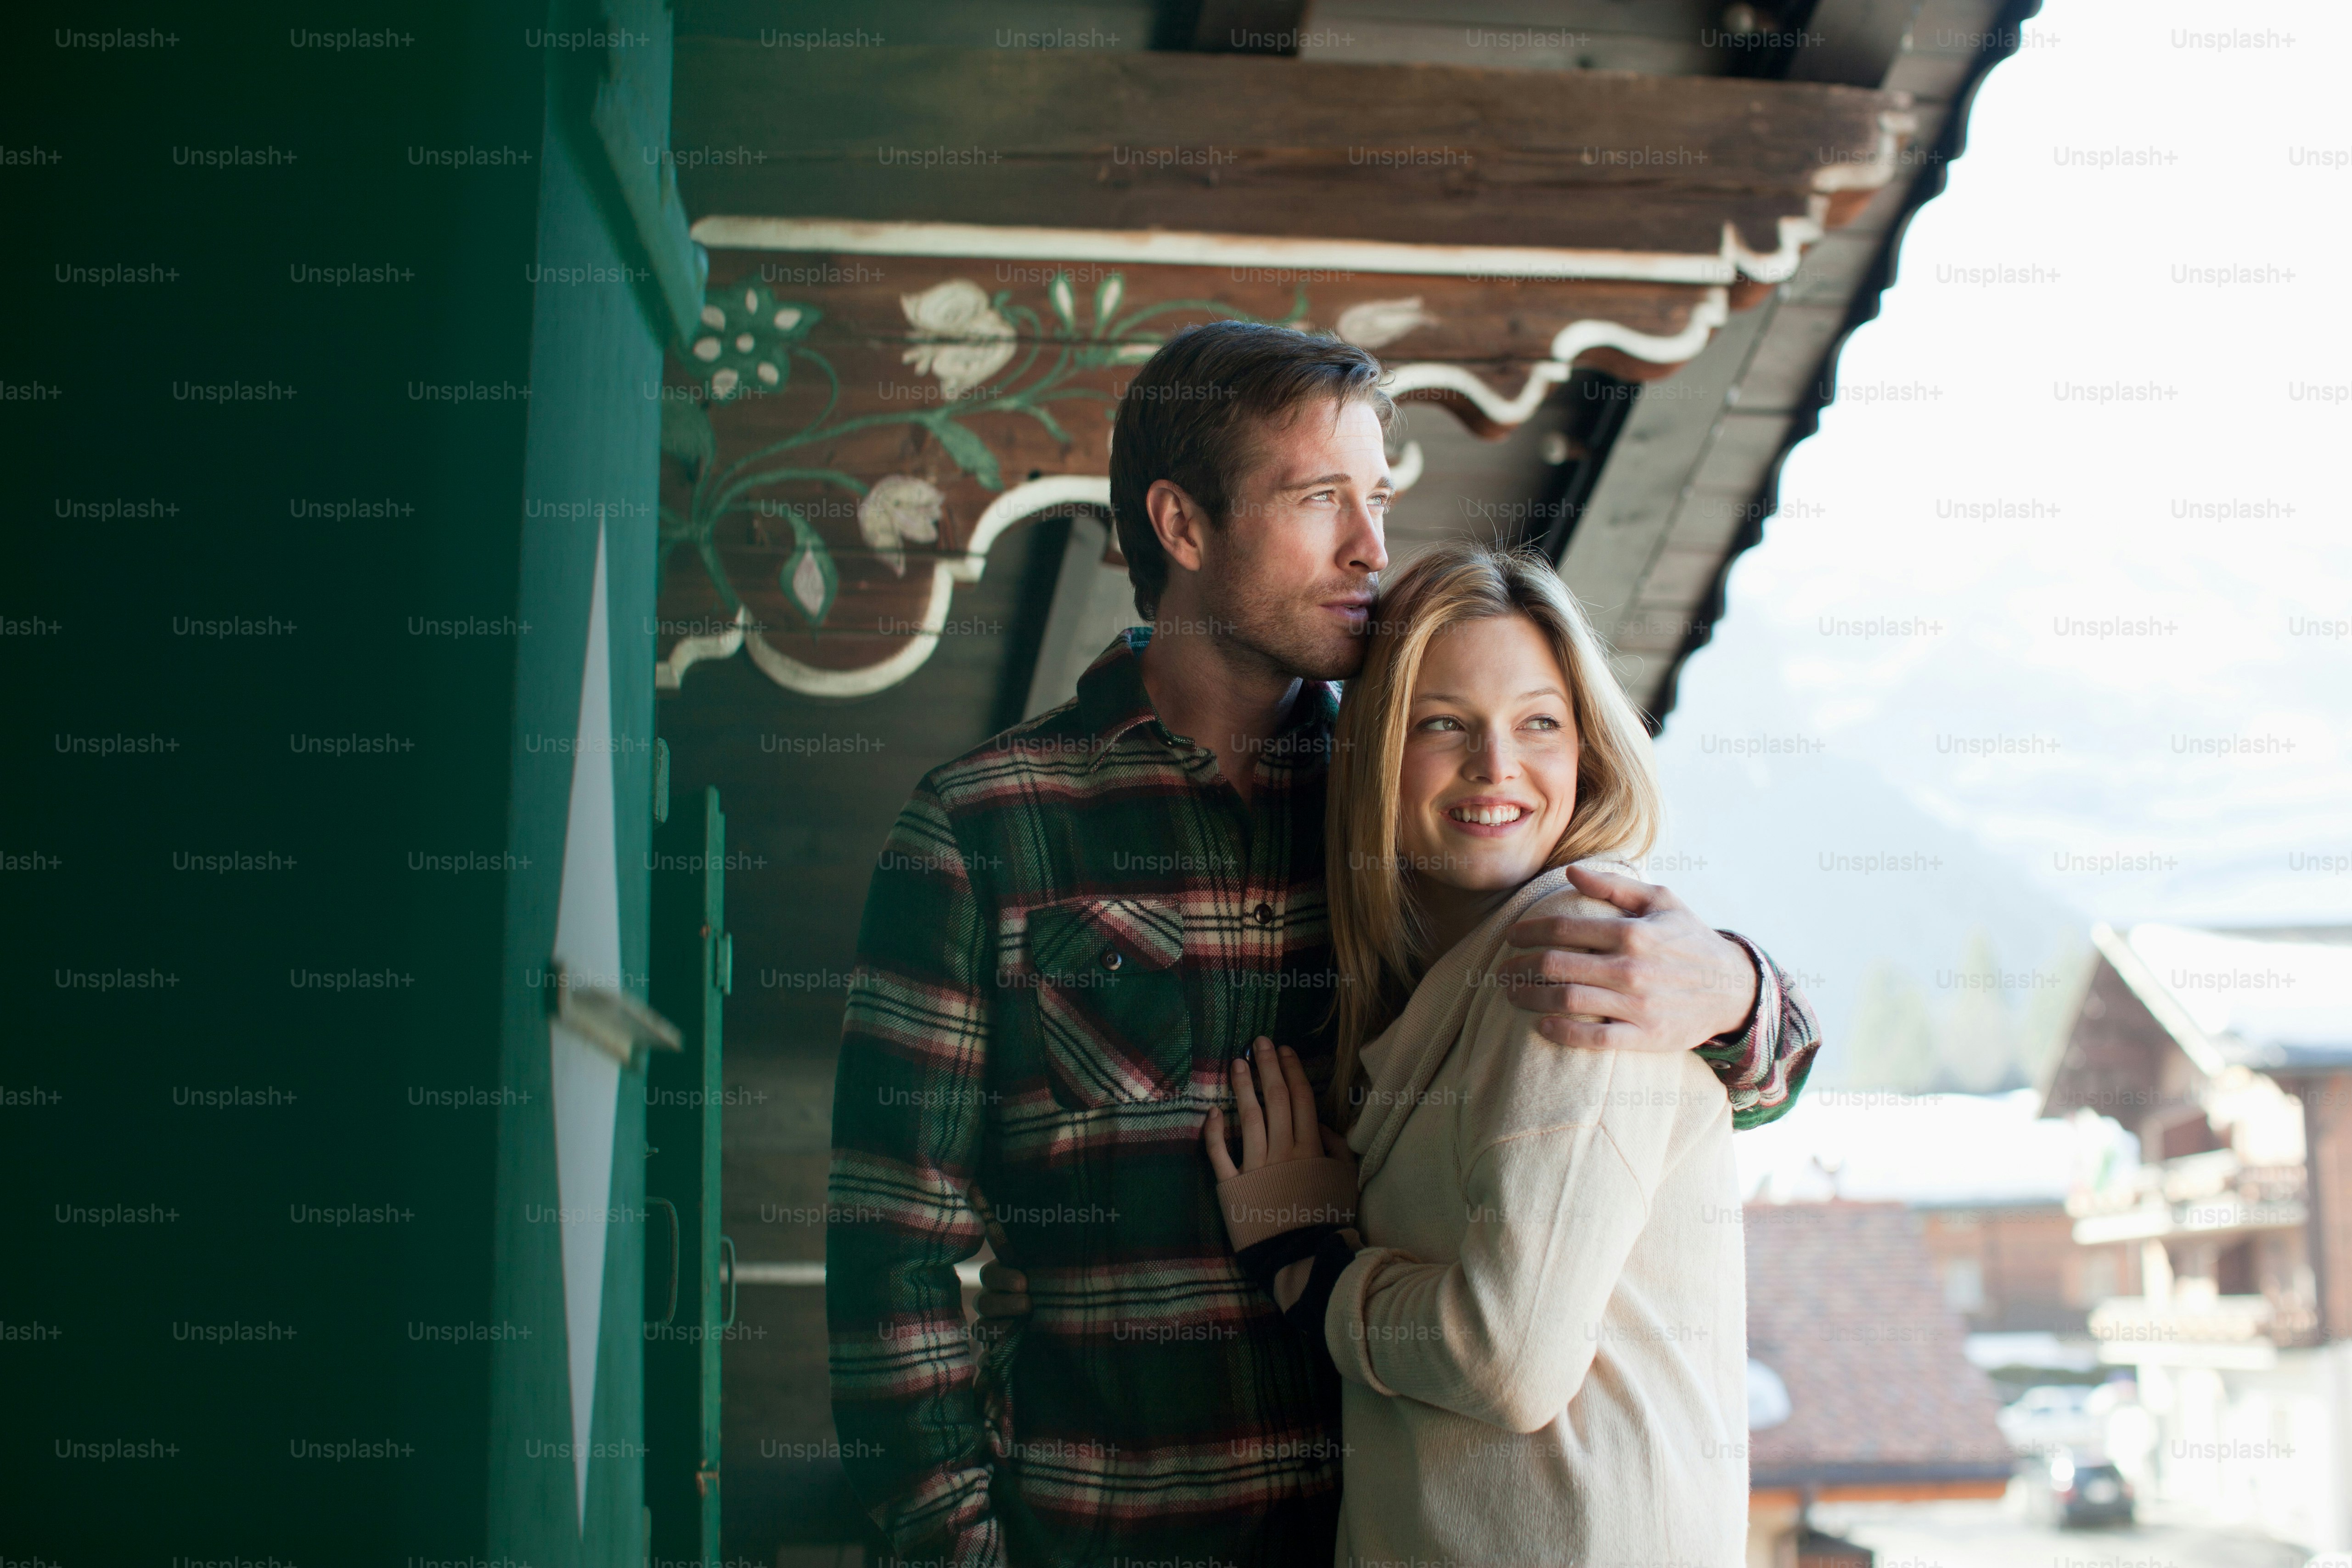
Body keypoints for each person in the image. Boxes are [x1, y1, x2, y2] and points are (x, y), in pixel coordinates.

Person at [827, 321, 1817, 1568]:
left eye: (1378, 499)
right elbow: (892, 1260)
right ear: (1182, 527)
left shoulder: (1419, 793)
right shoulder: (984, 827)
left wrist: (1735, 989)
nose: (1372, 547)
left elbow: (1664, 1078)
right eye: (1320, 500)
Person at [1205, 540, 1750, 1568]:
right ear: (1374, 751)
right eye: (1442, 723)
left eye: (1538, 722)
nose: (1496, 766)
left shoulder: (1580, 959)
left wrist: (1309, 1268)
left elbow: (1505, 1358)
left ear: (1586, 749)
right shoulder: (1441, 988)